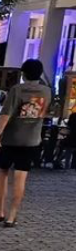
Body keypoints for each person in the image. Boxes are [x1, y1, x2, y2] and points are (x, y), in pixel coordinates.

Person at [0, 58, 52, 227]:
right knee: (20, 178)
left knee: (2, 174)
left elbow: (5, 115)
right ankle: (12, 216)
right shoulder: (46, 92)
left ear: (23, 73)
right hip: (31, 140)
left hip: (10, 139)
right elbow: (43, 113)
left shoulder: (16, 90)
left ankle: (0, 211)